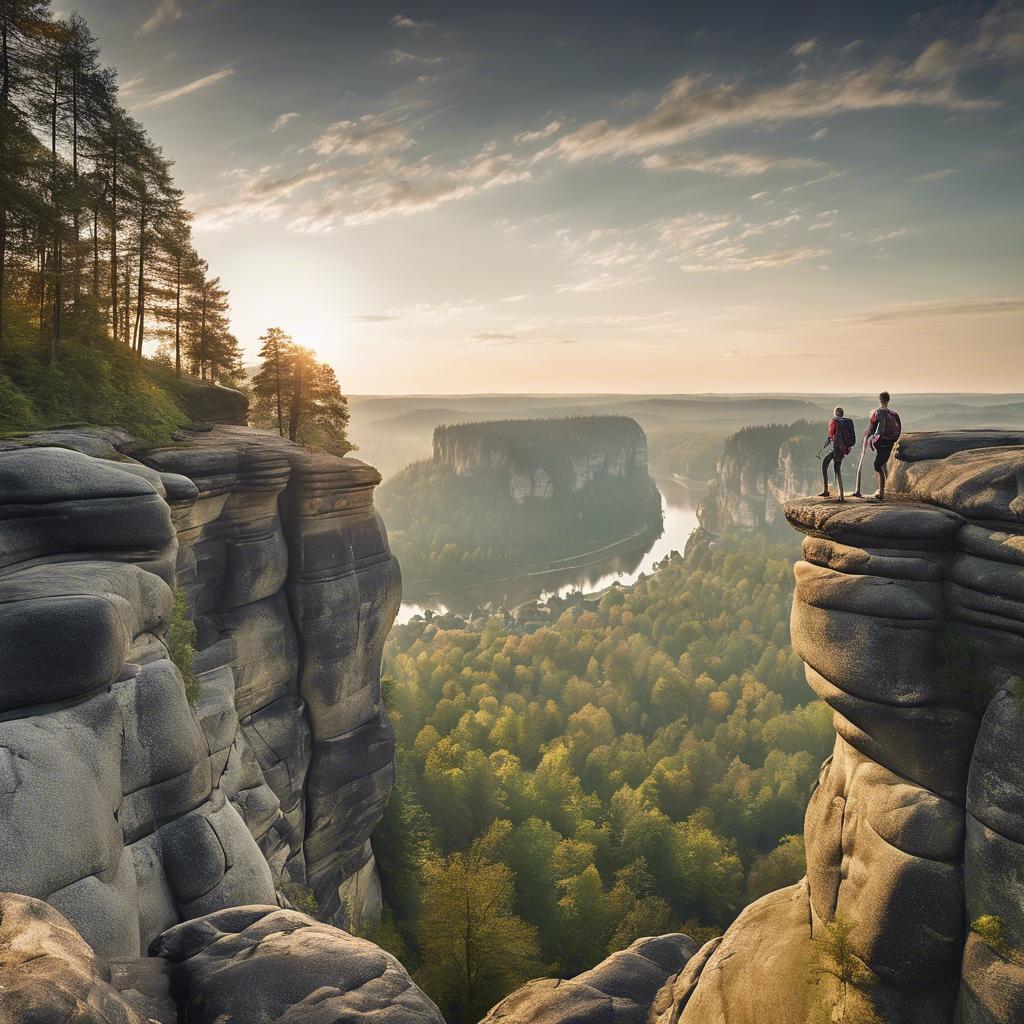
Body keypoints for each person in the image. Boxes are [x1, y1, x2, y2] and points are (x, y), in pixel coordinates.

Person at [854, 391, 902, 501]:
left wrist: (870, 438)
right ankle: (883, 490)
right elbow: (898, 428)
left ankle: (881, 493)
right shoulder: (894, 414)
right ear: (888, 400)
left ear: (880, 400)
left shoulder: (877, 412)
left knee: (877, 465)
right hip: (890, 441)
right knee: (882, 464)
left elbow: (874, 428)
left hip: (881, 442)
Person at [818, 406, 855, 501]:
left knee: (826, 464)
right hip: (844, 448)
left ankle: (829, 491)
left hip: (836, 448)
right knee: (837, 469)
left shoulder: (834, 422)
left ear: (835, 413)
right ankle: (840, 494)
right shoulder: (847, 422)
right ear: (842, 414)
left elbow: (831, 436)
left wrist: (825, 444)